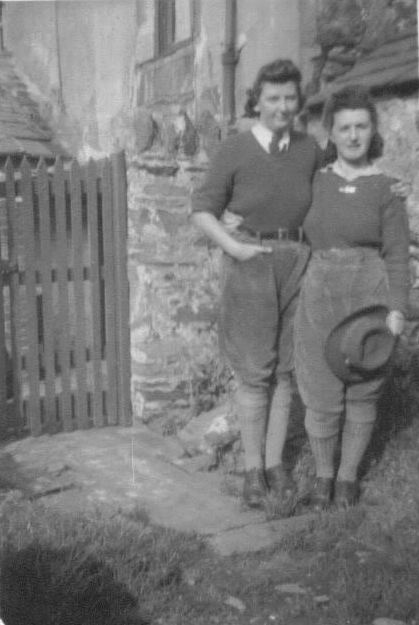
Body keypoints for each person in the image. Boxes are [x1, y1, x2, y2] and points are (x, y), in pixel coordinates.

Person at [191, 59, 323, 508]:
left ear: (298, 101)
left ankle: (274, 465)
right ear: (257, 101)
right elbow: (203, 210)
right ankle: (251, 469)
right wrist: (234, 247)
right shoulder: (236, 149)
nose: (282, 106)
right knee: (254, 372)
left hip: (296, 262)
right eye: (273, 98)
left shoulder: (310, 150)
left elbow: (335, 186)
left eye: (290, 98)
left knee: (285, 371)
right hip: (250, 261)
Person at [293, 85, 410, 509]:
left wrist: (397, 309)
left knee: (363, 389)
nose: (354, 135)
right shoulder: (315, 181)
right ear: (332, 132)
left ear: (372, 130)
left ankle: (347, 480)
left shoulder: (385, 188)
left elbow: (397, 254)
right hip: (320, 294)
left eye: (362, 126)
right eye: (345, 128)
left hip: (369, 295)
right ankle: (323, 478)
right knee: (321, 389)